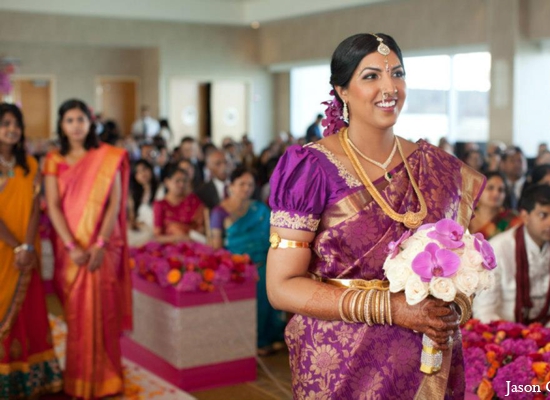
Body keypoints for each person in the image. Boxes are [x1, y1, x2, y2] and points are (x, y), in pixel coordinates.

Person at [266, 33, 485, 399]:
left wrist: (455, 303)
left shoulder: (438, 167)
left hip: (428, 361)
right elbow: (281, 286)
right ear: (342, 91)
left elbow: (462, 262)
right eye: (371, 76)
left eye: (397, 73)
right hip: (343, 367)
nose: (390, 87)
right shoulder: (310, 168)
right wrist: (390, 308)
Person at [43, 99, 131, 399]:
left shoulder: (108, 157)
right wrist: (70, 245)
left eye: (81, 119)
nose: (76, 125)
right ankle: (79, 379)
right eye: (69, 120)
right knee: (77, 316)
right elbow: (52, 206)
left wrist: (100, 245)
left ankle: (107, 379)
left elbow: (114, 204)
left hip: (102, 248)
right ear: (61, 125)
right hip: (70, 250)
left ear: (90, 122)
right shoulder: (53, 160)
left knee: (104, 312)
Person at [473, 184, 550, 340]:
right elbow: (484, 310)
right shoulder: (499, 248)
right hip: (507, 327)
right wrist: (511, 334)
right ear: (525, 216)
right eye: (543, 215)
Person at [0, 103, 62, 398]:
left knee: (31, 311)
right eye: (5, 123)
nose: (12, 129)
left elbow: (37, 209)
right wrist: (15, 246)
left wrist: (26, 246)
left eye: (16, 124)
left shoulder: (31, 165)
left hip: (28, 250)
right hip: (2, 251)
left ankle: (31, 377)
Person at [210, 166, 285, 355]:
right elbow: (217, 245)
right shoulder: (220, 212)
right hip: (236, 265)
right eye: (241, 184)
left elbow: (273, 236)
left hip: (264, 261)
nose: (246, 188)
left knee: (269, 282)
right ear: (231, 186)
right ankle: (256, 340)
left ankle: (270, 335)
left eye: (250, 184)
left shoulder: (259, 209)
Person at [153, 167, 206, 243]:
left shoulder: (193, 200)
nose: (181, 184)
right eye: (177, 181)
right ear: (167, 182)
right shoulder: (160, 204)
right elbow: (157, 236)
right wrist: (178, 238)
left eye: (184, 181)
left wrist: (189, 237)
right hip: (168, 247)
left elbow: (202, 228)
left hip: (194, 244)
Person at [469, 171, 520, 240]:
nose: (496, 194)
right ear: (478, 191)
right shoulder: (465, 218)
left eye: (501, 190)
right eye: (490, 188)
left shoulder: (510, 218)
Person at [128, 159, 159, 247]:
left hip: (156, 228)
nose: (142, 174)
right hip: (140, 228)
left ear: (151, 169)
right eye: (138, 172)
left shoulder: (161, 189)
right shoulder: (134, 195)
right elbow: (132, 218)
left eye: (144, 169)